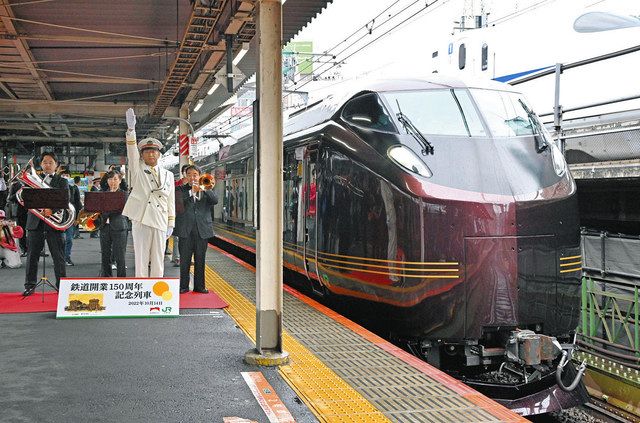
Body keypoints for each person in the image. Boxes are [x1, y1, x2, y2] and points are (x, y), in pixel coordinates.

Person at [122, 108, 175, 277]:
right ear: (142, 155)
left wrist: (171, 222)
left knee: (159, 257)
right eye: (147, 151)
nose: (151, 153)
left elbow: (170, 200)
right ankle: (141, 288)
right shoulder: (137, 170)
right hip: (142, 218)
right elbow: (131, 154)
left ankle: (156, 290)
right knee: (141, 257)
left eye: (154, 151)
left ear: (159, 154)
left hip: (160, 219)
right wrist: (131, 131)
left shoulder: (169, 175)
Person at [23, 151, 70, 296]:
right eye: (45, 162)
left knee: (58, 256)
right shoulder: (32, 179)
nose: (47, 165)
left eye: (50, 162)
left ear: (56, 165)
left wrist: (52, 209)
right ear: (41, 164)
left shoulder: (62, 182)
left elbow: (65, 200)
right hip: (35, 222)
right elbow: (25, 197)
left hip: (53, 223)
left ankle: (61, 286)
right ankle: (30, 286)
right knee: (32, 256)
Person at [174, 165, 217, 293]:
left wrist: (203, 189)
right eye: (189, 175)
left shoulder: (206, 187)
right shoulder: (180, 189)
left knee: (200, 259)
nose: (192, 177)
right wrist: (191, 192)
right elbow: (179, 205)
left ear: (199, 176)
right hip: (185, 230)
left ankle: (199, 286)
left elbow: (215, 200)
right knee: (185, 260)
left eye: (195, 175)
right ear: (185, 176)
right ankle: (183, 286)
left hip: (202, 230)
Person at [97, 171, 128, 277]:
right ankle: (106, 279)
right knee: (105, 255)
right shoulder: (102, 193)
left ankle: (121, 280)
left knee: (120, 256)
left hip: (119, 227)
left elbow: (123, 210)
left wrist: (107, 210)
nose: (112, 182)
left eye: (115, 179)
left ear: (119, 181)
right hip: (104, 226)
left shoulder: (124, 194)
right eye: (110, 179)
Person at [61, 170, 82, 266]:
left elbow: (78, 204)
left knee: (69, 239)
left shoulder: (74, 188)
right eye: (63, 175)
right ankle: (60, 258)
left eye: (66, 175)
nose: (65, 176)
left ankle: (66, 257)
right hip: (58, 218)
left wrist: (78, 218)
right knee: (59, 240)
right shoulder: (56, 187)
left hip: (70, 218)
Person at [171, 164, 190, 267]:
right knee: (177, 237)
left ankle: (186, 258)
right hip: (177, 213)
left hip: (189, 215)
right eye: (187, 172)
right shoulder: (176, 184)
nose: (189, 175)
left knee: (188, 237)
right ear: (183, 173)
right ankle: (177, 258)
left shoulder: (195, 185)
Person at [7, 179, 28, 256]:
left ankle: (35, 249)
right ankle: (24, 249)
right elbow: (10, 198)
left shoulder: (30, 185)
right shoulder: (15, 185)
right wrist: (19, 193)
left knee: (34, 232)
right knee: (22, 231)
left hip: (31, 211)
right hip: (20, 212)